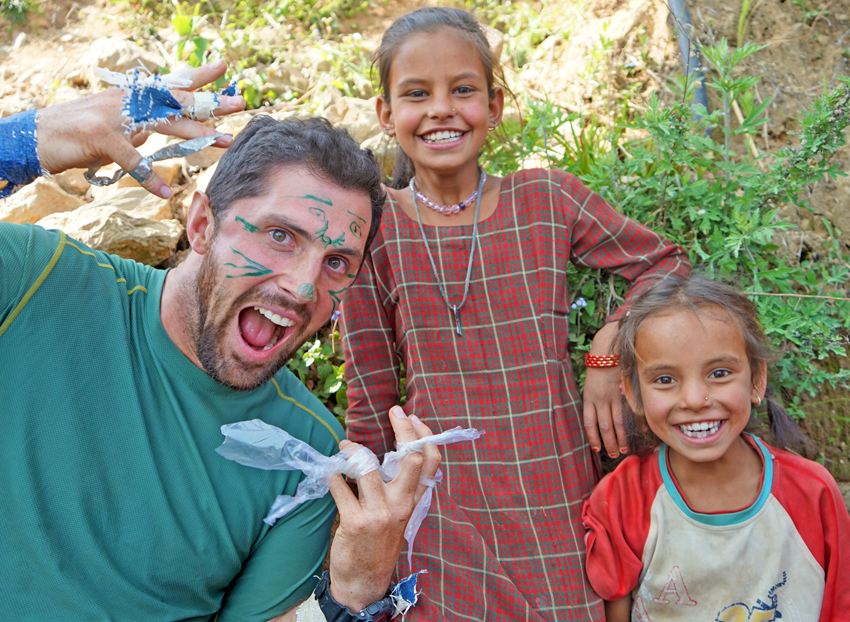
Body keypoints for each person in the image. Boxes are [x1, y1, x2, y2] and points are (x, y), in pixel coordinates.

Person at [0, 61, 440, 622]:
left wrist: (354, 590)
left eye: (336, 263)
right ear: (202, 224)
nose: (304, 286)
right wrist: (26, 141)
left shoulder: (303, 453)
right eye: (280, 236)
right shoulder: (37, 280)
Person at [339, 7, 690, 621]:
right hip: (441, 498)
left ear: (495, 107)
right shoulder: (373, 226)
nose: (442, 109)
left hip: (553, 487)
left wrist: (609, 344)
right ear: (387, 115)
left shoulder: (546, 199)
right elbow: (371, 395)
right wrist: (374, 518)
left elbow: (665, 265)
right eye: (417, 94)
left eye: (464, 90)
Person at [582, 276, 850, 622]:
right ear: (633, 394)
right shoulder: (624, 499)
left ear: (756, 380)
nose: (695, 400)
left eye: (720, 373)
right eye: (665, 380)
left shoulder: (812, 493)